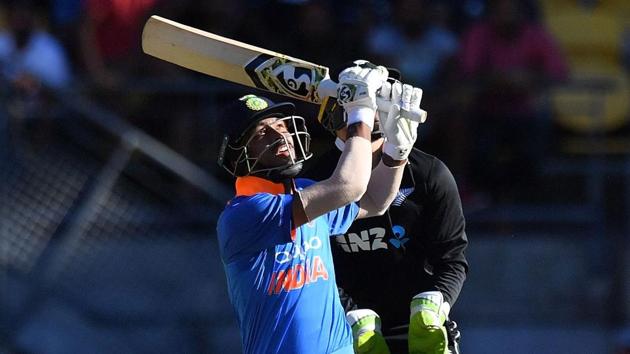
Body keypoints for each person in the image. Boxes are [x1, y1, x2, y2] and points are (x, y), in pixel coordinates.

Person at [216, 61, 423, 353]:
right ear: (239, 155)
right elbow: (348, 186)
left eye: (281, 125)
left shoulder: (305, 192)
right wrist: (359, 111)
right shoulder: (245, 214)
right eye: (261, 133)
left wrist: (396, 151)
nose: (280, 135)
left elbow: (375, 201)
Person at [307, 77, 468, 354]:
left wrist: (435, 305)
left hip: (419, 326)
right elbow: (314, 267)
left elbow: (452, 259)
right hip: (349, 327)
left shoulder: (429, 174)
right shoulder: (315, 180)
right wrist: (350, 315)